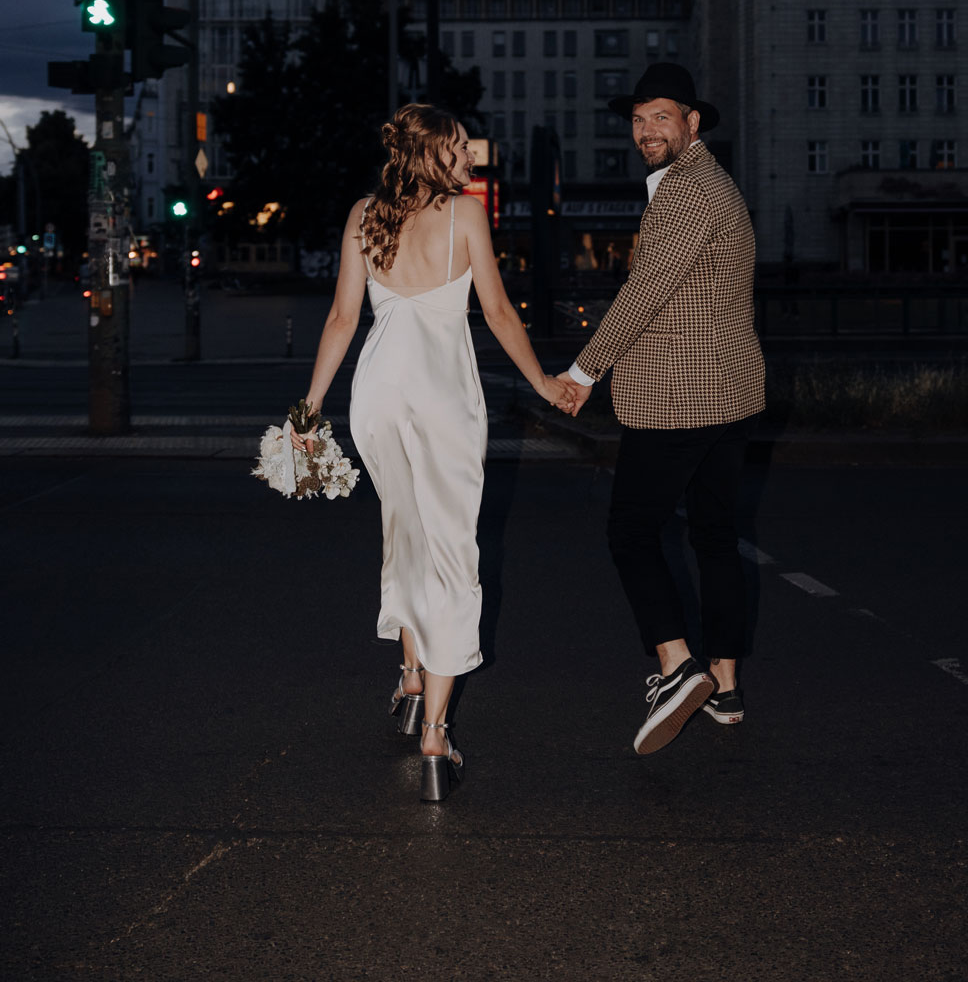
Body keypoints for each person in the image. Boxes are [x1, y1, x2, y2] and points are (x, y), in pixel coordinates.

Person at [293, 104, 573, 802]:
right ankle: (436, 735)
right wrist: (544, 382)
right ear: (432, 154)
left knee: (405, 531)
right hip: (444, 397)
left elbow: (340, 320)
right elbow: (501, 313)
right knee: (451, 551)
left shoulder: (365, 213)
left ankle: (412, 673)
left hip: (377, 395)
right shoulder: (465, 215)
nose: (470, 161)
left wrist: (308, 410)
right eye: (459, 150)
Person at [558, 63, 765, 756]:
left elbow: (643, 292)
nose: (646, 131)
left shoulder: (687, 190)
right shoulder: (714, 184)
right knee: (714, 537)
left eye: (661, 118)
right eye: (639, 119)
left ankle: (677, 668)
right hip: (730, 394)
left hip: (680, 398)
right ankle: (726, 688)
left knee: (631, 533)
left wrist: (585, 370)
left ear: (692, 123)